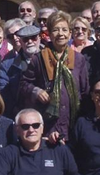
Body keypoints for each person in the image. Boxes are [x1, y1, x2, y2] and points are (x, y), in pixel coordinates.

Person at [20, 11, 89, 144]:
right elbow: (23, 84)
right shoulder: (39, 59)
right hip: (49, 125)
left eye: (64, 29)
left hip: (73, 123)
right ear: (49, 34)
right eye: (56, 30)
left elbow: (85, 90)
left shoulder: (78, 59)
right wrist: (36, 91)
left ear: (70, 33)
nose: (61, 34)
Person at [0, 24, 41, 119]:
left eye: (33, 38)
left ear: (39, 38)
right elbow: (3, 90)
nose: (30, 42)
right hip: (20, 114)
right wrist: (14, 110)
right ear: (20, 41)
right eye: (25, 39)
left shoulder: (49, 59)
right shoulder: (7, 64)